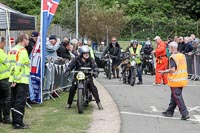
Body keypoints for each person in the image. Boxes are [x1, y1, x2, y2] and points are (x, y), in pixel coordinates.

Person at [65, 45, 103, 110]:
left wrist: (96, 72)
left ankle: (98, 103)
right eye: (85, 53)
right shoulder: (76, 58)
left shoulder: (91, 59)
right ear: (81, 53)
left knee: (93, 88)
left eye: (87, 53)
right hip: (78, 77)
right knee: (72, 88)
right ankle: (69, 103)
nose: (86, 54)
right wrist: (68, 70)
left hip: (88, 76)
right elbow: (71, 65)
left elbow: (95, 66)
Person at [159, 41, 189, 120]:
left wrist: (164, 71)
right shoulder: (182, 55)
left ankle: (184, 113)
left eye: (169, 48)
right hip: (182, 79)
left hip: (176, 80)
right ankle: (169, 111)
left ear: (172, 48)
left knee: (177, 97)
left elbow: (172, 70)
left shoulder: (173, 57)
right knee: (174, 97)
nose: (168, 49)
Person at [8, 34, 30, 129]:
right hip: (21, 80)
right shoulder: (22, 51)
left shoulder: (12, 50)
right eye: (27, 39)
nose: (28, 41)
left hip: (13, 79)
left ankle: (15, 121)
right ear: (23, 40)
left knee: (14, 101)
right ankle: (18, 123)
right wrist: (16, 79)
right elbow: (18, 65)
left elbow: (10, 66)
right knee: (20, 102)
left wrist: (12, 79)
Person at [0, 36, 11, 124]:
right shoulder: (1, 53)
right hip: (3, 79)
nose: (4, 45)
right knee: (6, 99)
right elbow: (8, 65)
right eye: (4, 43)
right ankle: (6, 118)